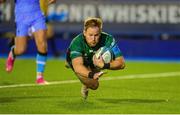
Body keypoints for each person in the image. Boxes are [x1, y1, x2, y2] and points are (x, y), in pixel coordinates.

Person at [66, 17, 125, 100]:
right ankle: (81, 75)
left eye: (96, 35)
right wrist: (92, 75)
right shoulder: (77, 42)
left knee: (94, 85)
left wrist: (104, 65)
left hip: (94, 60)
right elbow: (78, 66)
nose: (93, 39)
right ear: (84, 33)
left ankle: (88, 74)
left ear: (100, 33)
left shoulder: (108, 39)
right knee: (94, 84)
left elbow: (121, 63)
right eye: (90, 35)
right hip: (77, 61)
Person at [5, 0, 56, 84]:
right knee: (21, 50)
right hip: (22, 17)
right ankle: (13, 52)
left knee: (42, 44)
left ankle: (39, 77)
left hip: (37, 15)